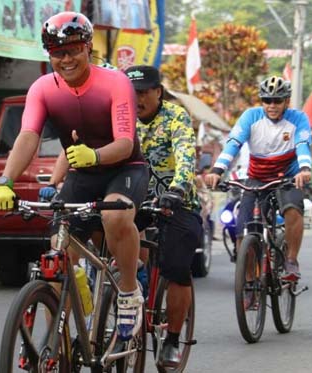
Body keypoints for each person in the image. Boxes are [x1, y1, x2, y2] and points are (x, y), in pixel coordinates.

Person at [0, 11, 149, 342]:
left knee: (114, 216)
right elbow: (28, 137)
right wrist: (5, 180)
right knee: (57, 252)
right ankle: (58, 337)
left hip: (124, 168)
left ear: (88, 47)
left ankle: (130, 293)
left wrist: (95, 154)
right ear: (49, 54)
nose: (66, 58)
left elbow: (125, 142)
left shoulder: (115, 82)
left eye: (74, 49)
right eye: (58, 52)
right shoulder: (42, 89)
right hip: (83, 173)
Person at [126, 65, 202, 367]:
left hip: (177, 201)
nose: (137, 99)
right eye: (132, 93)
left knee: (176, 268)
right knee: (108, 238)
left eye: (144, 92)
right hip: (134, 199)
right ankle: (135, 281)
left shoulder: (176, 116)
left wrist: (179, 187)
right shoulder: (121, 116)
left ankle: (171, 339)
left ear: (158, 92)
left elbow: (186, 155)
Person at [205, 76, 312, 282]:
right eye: (267, 100)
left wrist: (305, 169)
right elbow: (233, 144)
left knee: (293, 210)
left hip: (287, 178)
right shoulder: (250, 116)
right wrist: (217, 171)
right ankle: (248, 282)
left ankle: (291, 260)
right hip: (257, 178)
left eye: (277, 101)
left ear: (286, 101)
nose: (271, 105)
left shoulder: (298, 118)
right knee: (241, 228)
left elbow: (302, 145)